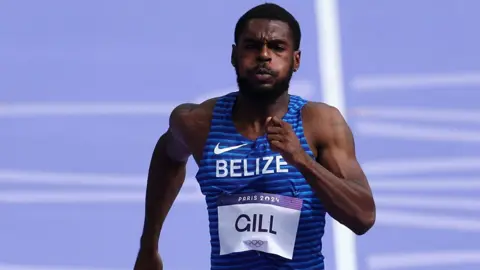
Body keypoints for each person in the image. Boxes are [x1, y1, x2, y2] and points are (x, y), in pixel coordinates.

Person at [134, 3, 375, 270]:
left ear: (296, 60)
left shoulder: (319, 124)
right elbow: (169, 156)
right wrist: (149, 246)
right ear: (234, 55)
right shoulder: (198, 123)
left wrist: (302, 160)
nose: (264, 55)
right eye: (252, 46)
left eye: (277, 47)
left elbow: (363, 217)